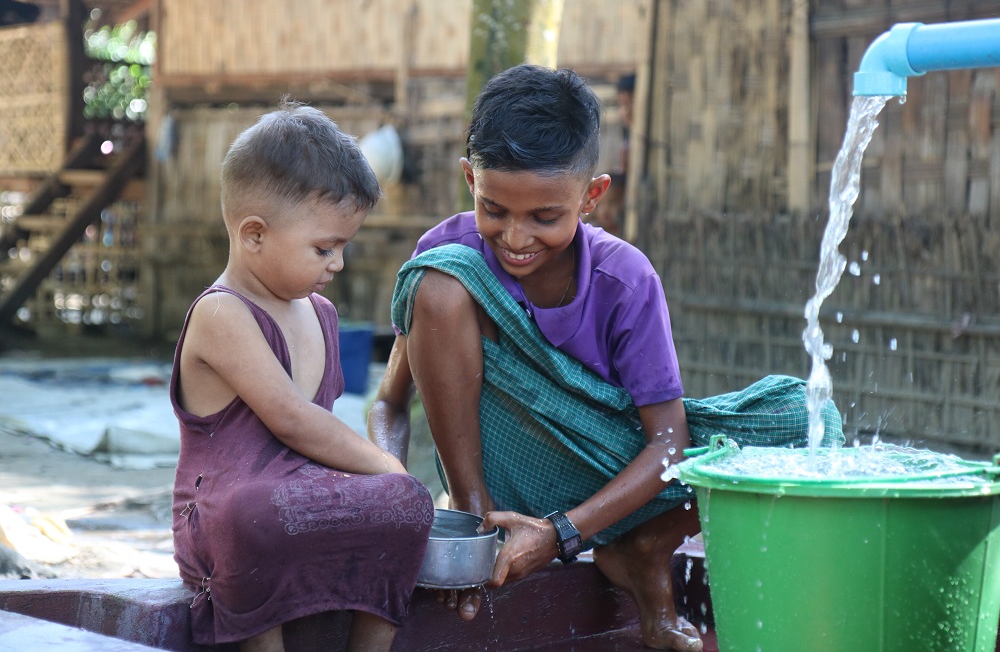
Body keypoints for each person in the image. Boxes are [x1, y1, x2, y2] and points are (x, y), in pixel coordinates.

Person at [368, 65, 843, 651]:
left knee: (805, 419)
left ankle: (644, 550)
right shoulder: (447, 256)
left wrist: (560, 533)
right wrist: (400, 507)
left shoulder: (625, 279)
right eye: (495, 210)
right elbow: (390, 404)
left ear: (591, 196)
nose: (516, 238)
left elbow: (667, 442)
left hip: (606, 490)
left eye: (545, 217)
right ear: (470, 179)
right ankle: (476, 518)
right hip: (491, 489)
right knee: (436, 282)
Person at [170, 101, 434, 652]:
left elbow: (322, 437)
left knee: (410, 503)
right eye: (324, 248)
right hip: (233, 511)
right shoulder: (222, 313)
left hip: (302, 497)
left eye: (344, 246)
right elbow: (293, 420)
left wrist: (391, 488)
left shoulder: (322, 314)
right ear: (254, 235)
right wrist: (384, 464)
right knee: (257, 513)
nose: (337, 263)